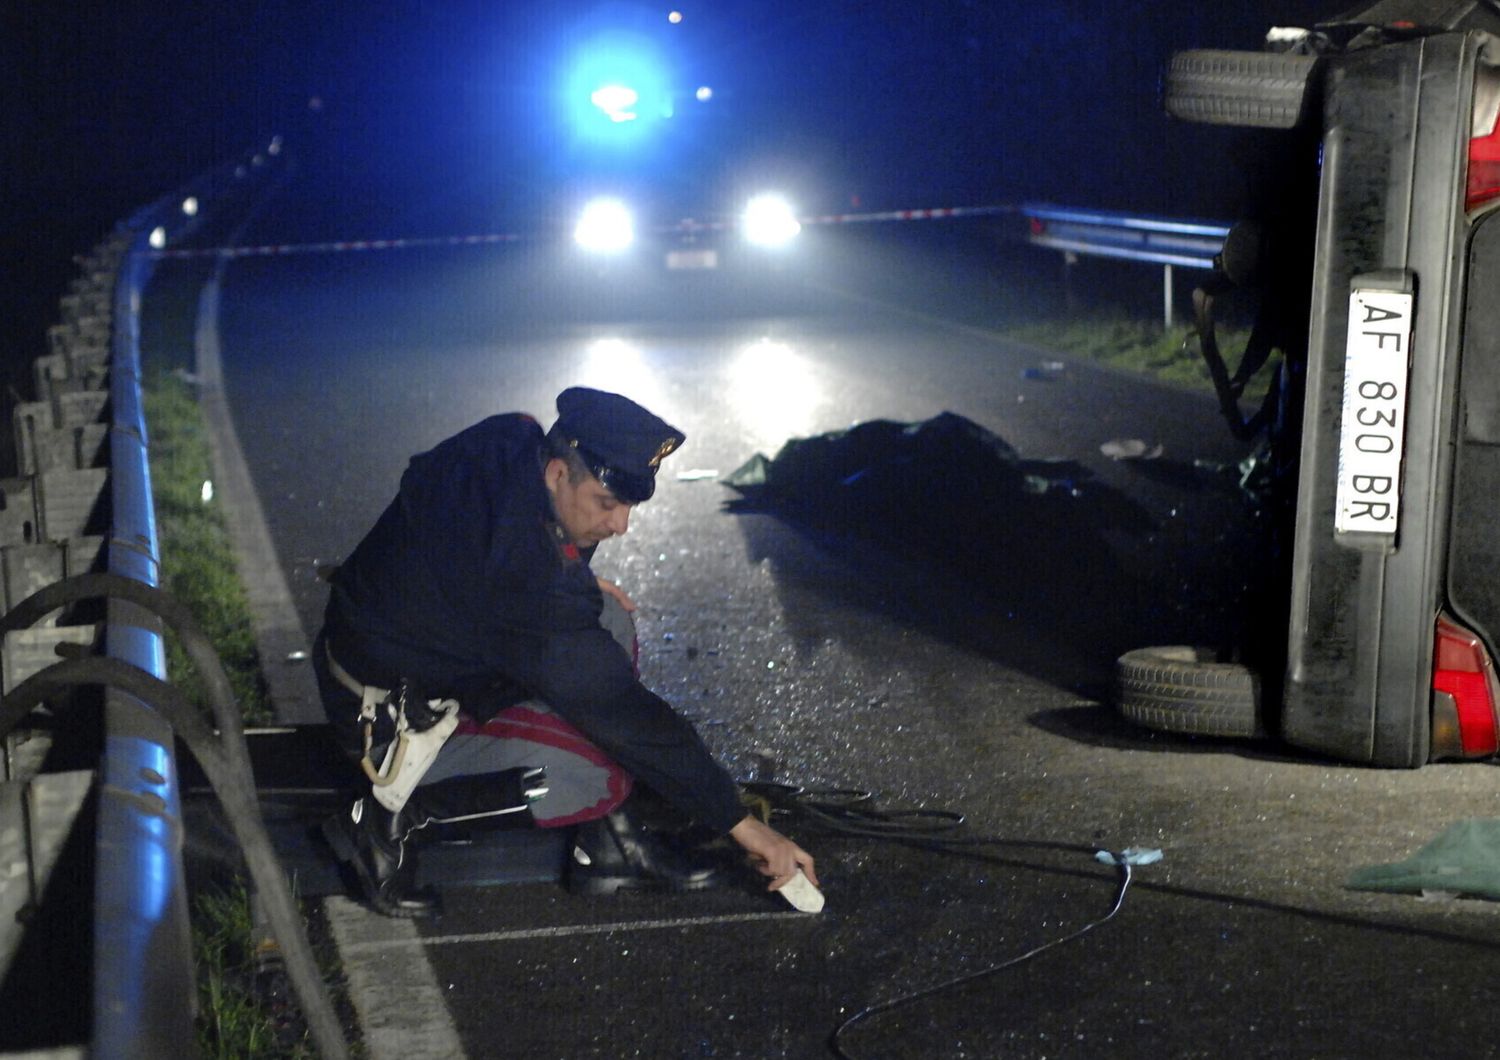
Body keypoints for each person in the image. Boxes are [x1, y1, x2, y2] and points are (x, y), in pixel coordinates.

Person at [317, 386, 817, 916]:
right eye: (608, 502)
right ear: (557, 473)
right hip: (386, 715)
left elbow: (453, 517)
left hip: (389, 647)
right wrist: (744, 826)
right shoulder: (523, 580)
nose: (621, 525)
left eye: (628, 506)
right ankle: (389, 820)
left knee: (608, 619)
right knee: (595, 774)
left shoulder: (511, 438)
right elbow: (623, 711)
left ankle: (608, 846)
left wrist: (566, 578)